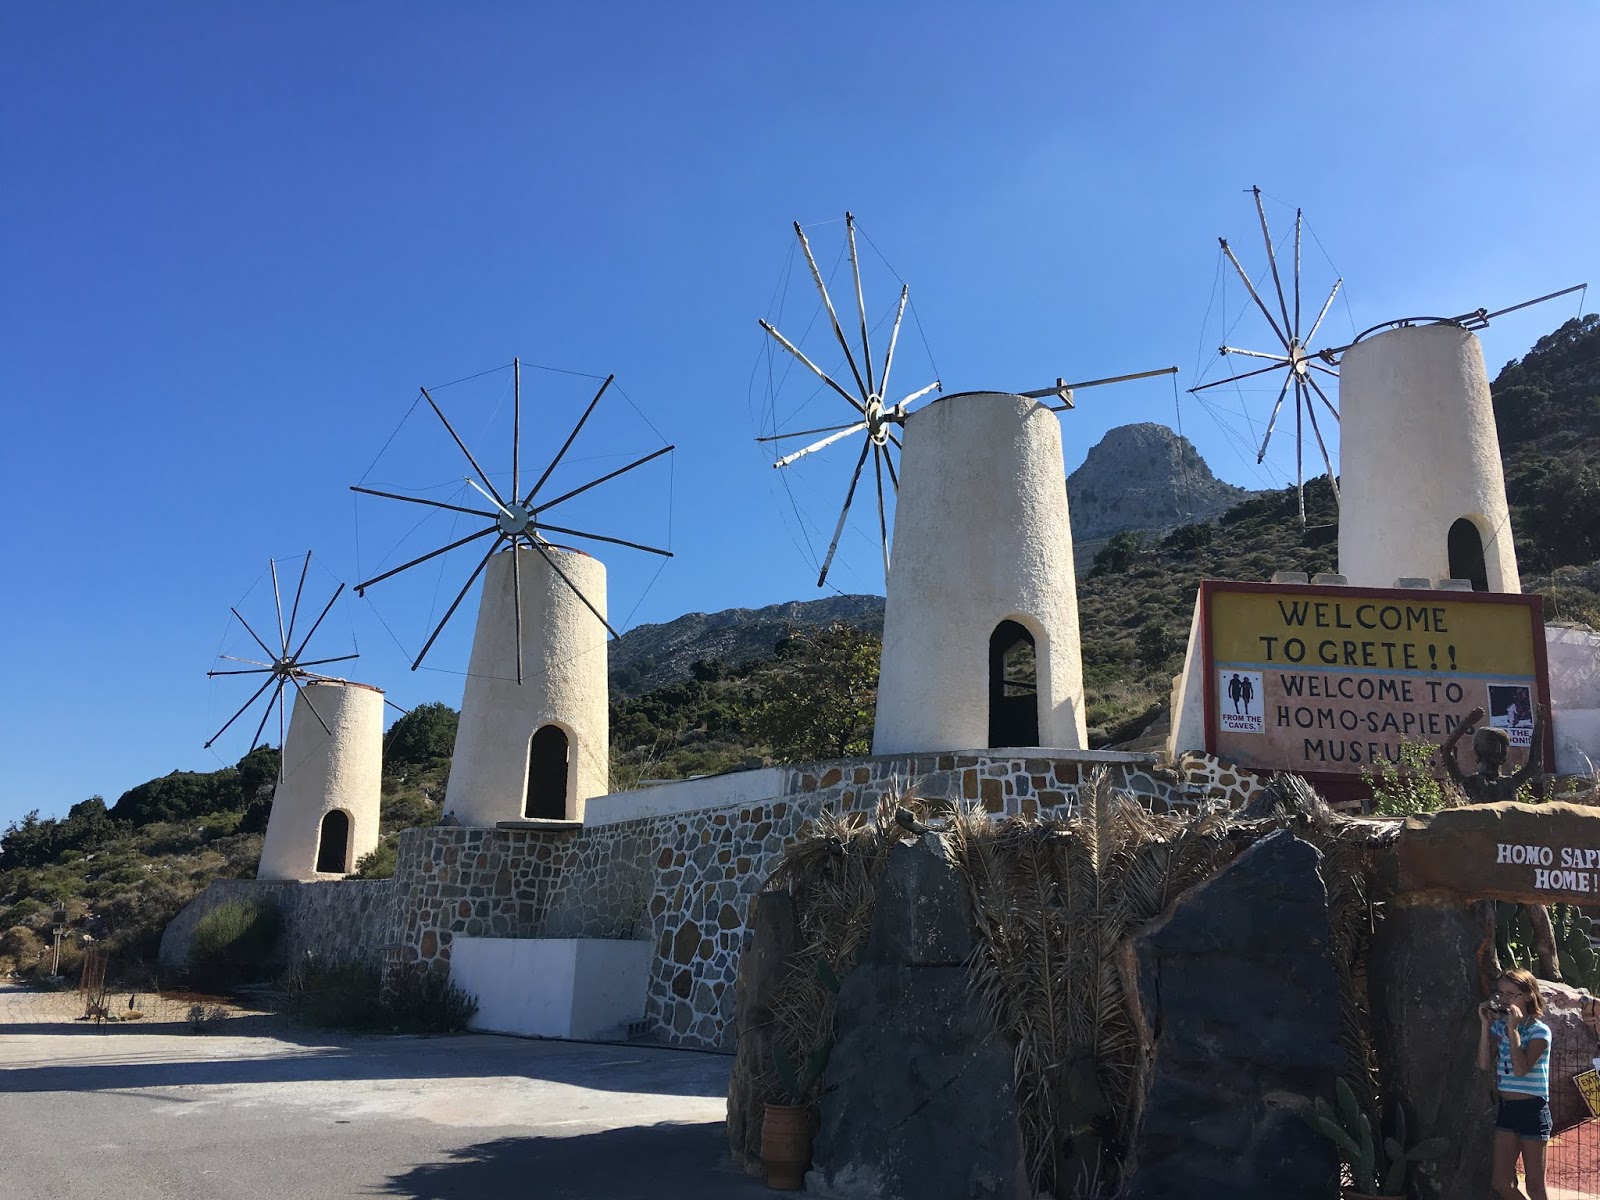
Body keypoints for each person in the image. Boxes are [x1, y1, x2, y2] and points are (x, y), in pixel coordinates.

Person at [1478, 968, 1553, 1200]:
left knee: (1535, 1188)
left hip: (1533, 1111)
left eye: (1511, 994)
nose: (1504, 999)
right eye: (1501, 993)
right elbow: (1483, 1064)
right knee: (1501, 1182)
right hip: (1507, 1109)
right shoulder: (1499, 1028)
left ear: (1528, 995)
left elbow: (1521, 1069)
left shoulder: (1540, 1031)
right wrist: (1485, 1026)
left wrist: (1513, 1030)